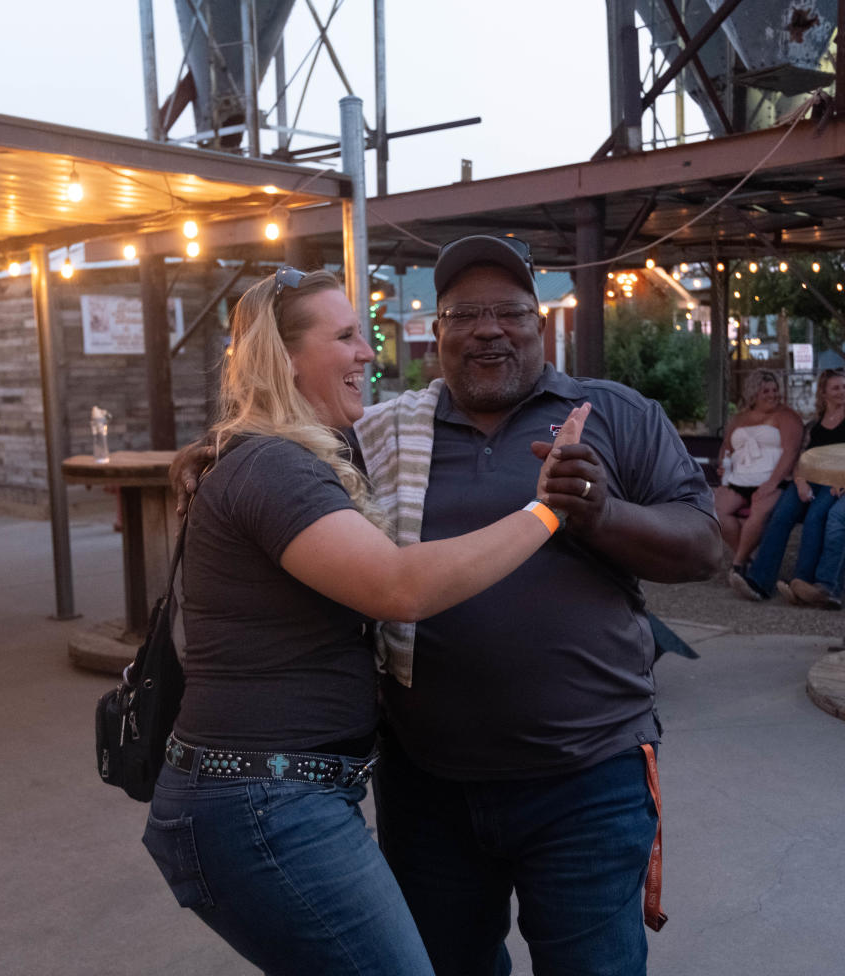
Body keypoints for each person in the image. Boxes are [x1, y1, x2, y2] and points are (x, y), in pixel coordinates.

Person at [171, 236, 721, 976]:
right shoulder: (379, 431)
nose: (487, 328)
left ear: (539, 323)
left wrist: (600, 513)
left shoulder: (611, 415)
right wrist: (217, 447)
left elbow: (706, 548)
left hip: (588, 780)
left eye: (509, 312)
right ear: (439, 331)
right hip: (429, 786)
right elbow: (287, 451)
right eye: (464, 313)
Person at [143, 265, 590, 976]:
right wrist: (547, 511)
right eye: (347, 337)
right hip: (263, 804)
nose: (367, 353)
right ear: (284, 359)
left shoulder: (279, 458)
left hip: (278, 796)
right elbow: (399, 587)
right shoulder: (273, 468)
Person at [730, 367, 845, 604]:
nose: (842, 392)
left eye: (844, 387)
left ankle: (801, 582)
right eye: (836, 388)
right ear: (823, 393)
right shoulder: (813, 425)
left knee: (815, 516)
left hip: (832, 482)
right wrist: (801, 481)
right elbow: (800, 458)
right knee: (780, 515)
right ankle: (759, 582)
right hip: (806, 478)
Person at [714, 368, 803, 583]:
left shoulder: (787, 416)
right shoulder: (739, 418)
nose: (772, 394)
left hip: (773, 477)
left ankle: (737, 565)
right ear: (753, 392)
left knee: (760, 511)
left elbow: (790, 452)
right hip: (739, 477)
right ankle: (745, 558)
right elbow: (727, 448)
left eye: (775, 390)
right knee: (717, 511)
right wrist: (722, 465)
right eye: (766, 391)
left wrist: (772, 483)